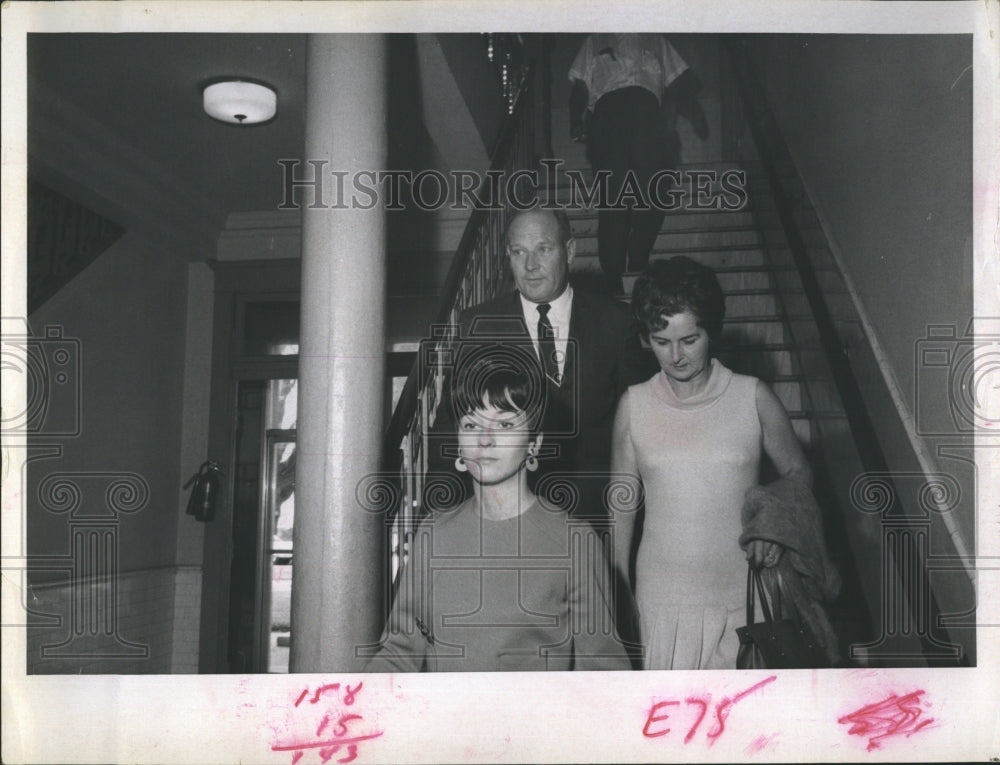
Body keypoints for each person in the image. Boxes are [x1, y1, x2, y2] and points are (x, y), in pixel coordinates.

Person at [366, 351, 632, 671]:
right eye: (471, 424)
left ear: (534, 443)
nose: (485, 440)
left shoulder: (574, 540)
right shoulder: (432, 534)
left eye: (504, 424)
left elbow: (604, 671)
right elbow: (398, 653)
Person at [610, 256, 814, 670]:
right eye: (661, 341)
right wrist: (618, 588)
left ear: (712, 330)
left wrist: (774, 524)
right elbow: (621, 506)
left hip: (744, 593)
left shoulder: (753, 396)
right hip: (663, 599)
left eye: (690, 339)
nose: (675, 356)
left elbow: (800, 473)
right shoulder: (634, 405)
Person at [438, 207, 645, 522]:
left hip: (596, 512)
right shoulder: (478, 325)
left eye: (543, 249)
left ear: (569, 251)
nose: (530, 265)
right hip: (509, 515)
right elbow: (449, 422)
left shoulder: (614, 322)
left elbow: (639, 424)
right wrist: (444, 510)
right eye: (519, 252)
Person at [569, 34, 709, 296]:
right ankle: (613, 280)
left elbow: (677, 81)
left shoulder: (655, 39)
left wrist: (696, 115)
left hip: (648, 118)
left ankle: (637, 261)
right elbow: (580, 85)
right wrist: (574, 118)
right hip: (609, 120)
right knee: (614, 201)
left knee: (654, 195)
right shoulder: (595, 40)